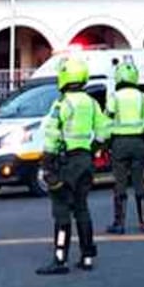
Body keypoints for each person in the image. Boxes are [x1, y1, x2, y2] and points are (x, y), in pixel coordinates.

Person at [36, 57, 110, 275]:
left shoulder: (62, 103)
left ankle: (60, 259)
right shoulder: (92, 103)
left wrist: (47, 163)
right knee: (82, 208)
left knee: (61, 210)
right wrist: (91, 148)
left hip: (65, 162)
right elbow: (105, 130)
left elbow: (52, 133)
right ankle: (87, 257)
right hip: (85, 161)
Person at [104, 61, 144, 234]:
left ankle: (119, 223)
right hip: (139, 143)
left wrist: (104, 142)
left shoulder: (114, 97)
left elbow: (107, 122)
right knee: (139, 182)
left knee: (120, 183)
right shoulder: (142, 97)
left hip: (119, 144)